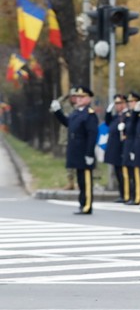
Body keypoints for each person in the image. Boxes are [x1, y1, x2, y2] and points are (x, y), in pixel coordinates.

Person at [50, 86, 98, 215]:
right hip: (76, 152)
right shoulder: (76, 112)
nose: (79, 99)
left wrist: (89, 154)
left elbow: (92, 135)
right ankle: (82, 204)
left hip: (84, 152)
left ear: (88, 98)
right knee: (81, 181)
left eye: (82, 97)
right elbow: (68, 123)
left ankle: (87, 205)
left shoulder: (89, 114)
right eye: (78, 97)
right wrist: (57, 111)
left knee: (86, 181)